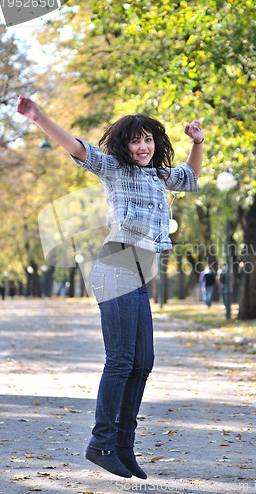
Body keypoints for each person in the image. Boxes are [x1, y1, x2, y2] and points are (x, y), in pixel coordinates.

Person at [16, 95, 204, 479]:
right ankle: (100, 443)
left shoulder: (161, 176)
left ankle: (122, 444)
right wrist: (40, 118)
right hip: (116, 265)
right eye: (135, 140)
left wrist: (197, 142)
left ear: (156, 142)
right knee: (120, 360)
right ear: (124, 144)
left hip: (139, 272)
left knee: (143, 362)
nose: (143, 146)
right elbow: (76, 147)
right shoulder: (116, 169)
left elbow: (191, 176)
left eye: (148, 139)